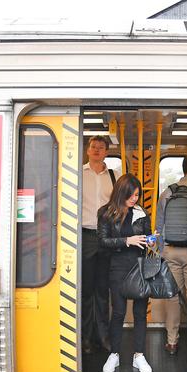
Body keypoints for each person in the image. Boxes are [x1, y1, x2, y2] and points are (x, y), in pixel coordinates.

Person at [97, 173, 154, 372]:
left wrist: (151, 240)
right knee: (119, 312)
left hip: (139, 266)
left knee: (140, 313)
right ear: (121, 193)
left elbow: (147, 237)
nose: (134, 199)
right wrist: (126, 241)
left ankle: (139, 355)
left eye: (137, 195)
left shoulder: (142, 213)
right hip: (117, 266)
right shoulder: (105, 213)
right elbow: (102, 241)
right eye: (131, 195)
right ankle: (114, 354)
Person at [81, 136, 117, 354]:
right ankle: (85, 338)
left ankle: (103, 337)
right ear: (87, 150)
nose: (96, 150)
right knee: (85, 292)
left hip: (106, 237)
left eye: (101, 148)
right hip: (83, 236)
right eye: (93, 147)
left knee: (103, 291)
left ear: (106, 152)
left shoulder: (114, 176)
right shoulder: (77, 175)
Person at [156, 155, 187, 355]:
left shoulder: (168, 192)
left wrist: (163, 250)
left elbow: (159, 226)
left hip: (171, 251)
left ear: (183, 168)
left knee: (172, 297)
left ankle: (172, 341)